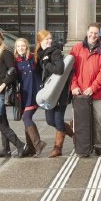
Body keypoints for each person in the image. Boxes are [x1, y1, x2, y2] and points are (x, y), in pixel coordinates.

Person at [0, 31, 29, 158]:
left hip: (0, 90)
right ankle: (6, 149)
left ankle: (20, 145)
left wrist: (3, 85)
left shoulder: (5, 53)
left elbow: (12, 71)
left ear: (1, 40)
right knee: (3, 120)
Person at [70, 23, 101, 156]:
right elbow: (71, 71)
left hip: (95, 93)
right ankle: (81, 145)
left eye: (96, 33)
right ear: (87, 32)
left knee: (98, 119)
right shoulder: (76, 48)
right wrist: (74, 86)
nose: (93, 35)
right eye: (91, 32)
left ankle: (98, 145)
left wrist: (93, 88)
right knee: (79, 122)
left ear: (99, 35)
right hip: (79, 93)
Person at [39, 30, 73, 158]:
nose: (49, 41)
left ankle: (57, 148)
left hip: (58, 92)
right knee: (49, 120)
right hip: (47, 92)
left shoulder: (55, 52)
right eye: (46, 39)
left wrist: (47, 63)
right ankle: (73, 133)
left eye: (50, 38)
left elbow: (59, 70)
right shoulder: (40, 54)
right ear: (40, 41)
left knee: (58, 120)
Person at [14, 36, 46, 157]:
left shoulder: (34, 57)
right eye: (18, 46)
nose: (21, 48)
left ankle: (38, 145)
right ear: (16, 48)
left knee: (26, 118)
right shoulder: (15, 61)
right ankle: (32, 148)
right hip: (24, 94)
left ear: (26, 46)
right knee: (26, 119)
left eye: (22, 46)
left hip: (36, 93)